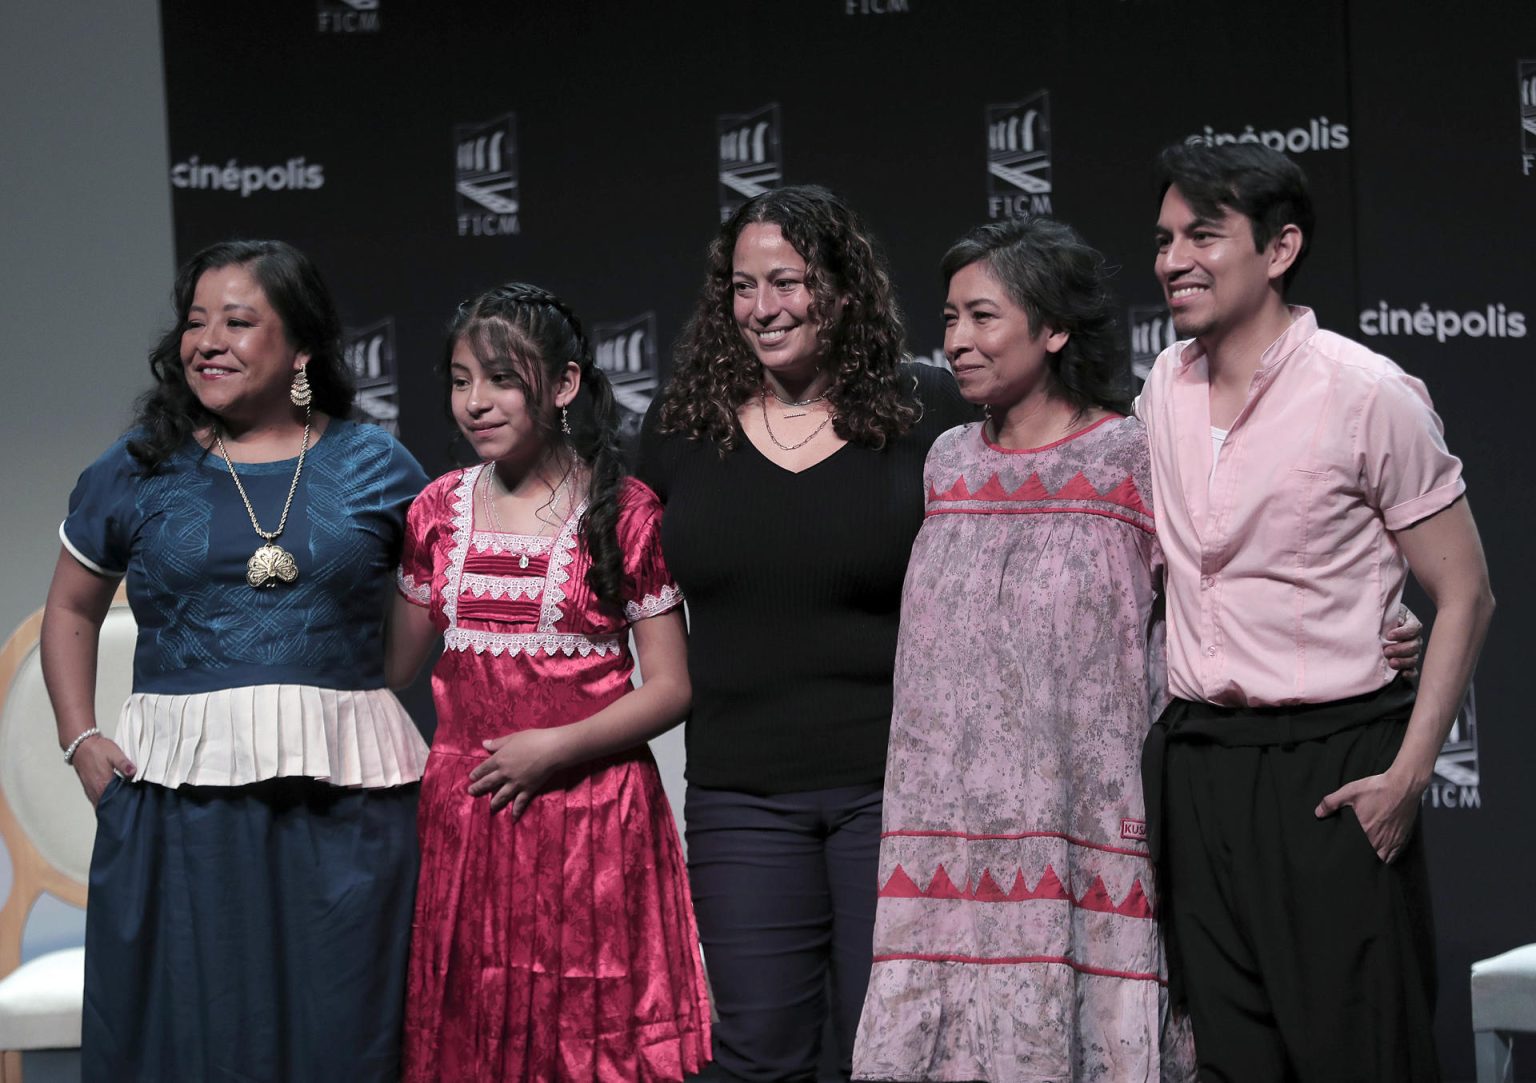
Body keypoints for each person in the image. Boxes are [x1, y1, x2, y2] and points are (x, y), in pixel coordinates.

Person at [1139, 141, 1494, 1081]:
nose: (1174, 259)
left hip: (1337, 768)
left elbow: (1464, 593)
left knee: (1360, 1054)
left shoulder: (1366, 392)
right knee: (1230, 1060)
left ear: (1281, 248)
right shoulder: (1158, 391)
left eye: (1204, 236)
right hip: (1201, 767)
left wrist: (1410, 776)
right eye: (1166, 237)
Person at [41, 239, 430, 1081]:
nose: (207, 340)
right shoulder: (141, 465)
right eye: (195, 322)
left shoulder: (378, 465)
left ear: (300, 349)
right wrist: (79, 738)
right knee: (193, 1036)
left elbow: (403, 655)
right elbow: (70, 605)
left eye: (238, 321)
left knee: (348, 1030)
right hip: (178, 809)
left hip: (348, 808)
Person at [637, 185, 976, 1081]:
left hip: (898, 793)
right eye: (743, 288)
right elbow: (608, 578)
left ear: (842, 290)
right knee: (757, 1053)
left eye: (785, 282)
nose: (761, 309)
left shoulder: (930, 411)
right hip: (741, 793)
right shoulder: (680, 427)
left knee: (892, 1050)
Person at [852, 217, 1195, 1082]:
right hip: (942, 841)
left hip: (1083, 829)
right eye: (950, 318)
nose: (956, 342)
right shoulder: (946, 462)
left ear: (1052, 328)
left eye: (983, 317)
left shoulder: (1133, 457)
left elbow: (1214, 600)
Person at [388, 283, 710, 1083]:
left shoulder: (623, 511)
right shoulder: (434, 511)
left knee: (592, 1044)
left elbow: (669, 686)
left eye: (500, 378)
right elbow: (392, 667)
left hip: (592, 822)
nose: (475, 402)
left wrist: (553, 749)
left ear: (564, 385)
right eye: (460, 380)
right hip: (468, 823)